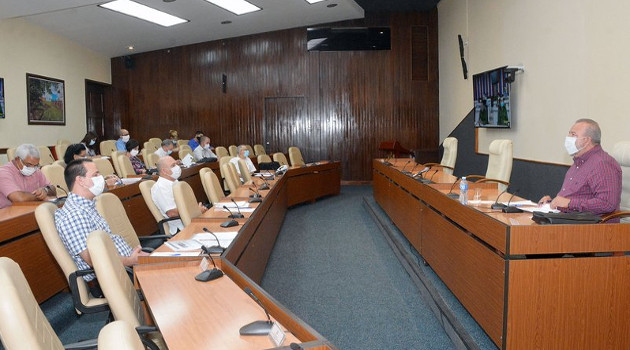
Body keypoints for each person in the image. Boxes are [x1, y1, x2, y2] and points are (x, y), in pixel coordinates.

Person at [54, 159, 147, 294]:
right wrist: (130, 261)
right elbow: (95, 260)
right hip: (116, 275)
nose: (101, 178)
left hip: (126, 265)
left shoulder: (87, 206)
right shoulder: (74, 215)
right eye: (96, 174)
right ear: (80, 180)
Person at [538, 118, 621, 215]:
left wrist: (569, 203)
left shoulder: (603, 164)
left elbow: (607, 203)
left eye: (573, 135)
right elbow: (576, 198)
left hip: (591, 227)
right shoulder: (579, 162)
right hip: (569, 219)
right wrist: (553, 202)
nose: (568, 138)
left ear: (586, 141)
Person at [151, 156, 207, 234]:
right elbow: (171, 213)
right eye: (173, 165)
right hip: (181, 229)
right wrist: (196, 210)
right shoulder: (160, 187)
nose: (177, 167)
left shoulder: (175, 182)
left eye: (176, 164)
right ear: (164, 171)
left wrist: (197, 209)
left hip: (192, 219)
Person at [0, 144, 56, 209]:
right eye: (28, 165)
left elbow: (53, 189)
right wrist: (41, 197)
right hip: (8, 214)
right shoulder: (3, 172)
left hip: (31, 209)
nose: (32, 168)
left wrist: (45, 190)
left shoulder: (35, 170)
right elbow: (19, 199)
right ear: (17, 159)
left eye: (36, 165)